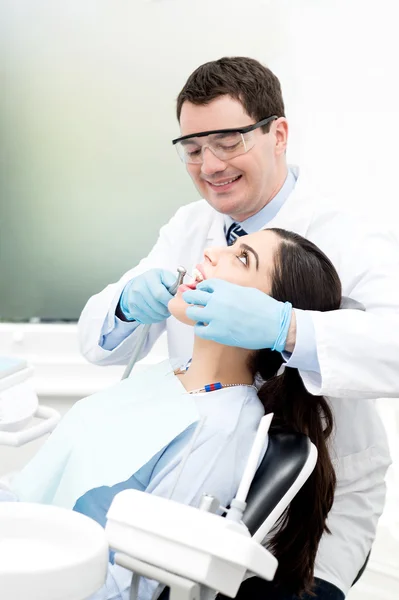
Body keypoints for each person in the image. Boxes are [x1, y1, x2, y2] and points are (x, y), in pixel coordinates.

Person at [78, 57, 398, 598]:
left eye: (227, 142)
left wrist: (287, 328)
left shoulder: (344, 232)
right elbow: (96, 340)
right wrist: (131, 305)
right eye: (193, 148)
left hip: (312, 510)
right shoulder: (188, 227)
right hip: (199, 484)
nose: (209, 165)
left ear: (279, 134)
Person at [7, 229, 340, 599]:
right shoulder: (174, 372)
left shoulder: (221, 429)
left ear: (265, 313)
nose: (213, 252)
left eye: (243, 259)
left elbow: (131, 589)